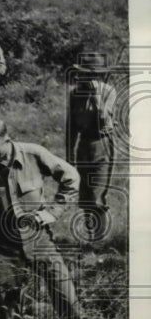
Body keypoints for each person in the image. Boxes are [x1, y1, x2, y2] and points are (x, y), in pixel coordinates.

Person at [0, 117, 83, 319]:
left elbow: (71, 177)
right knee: (7, 300)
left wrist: (53, 212)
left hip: (38, 234)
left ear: (7, 139)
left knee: (63, 289)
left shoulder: (33, 153)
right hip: (3, 240)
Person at [67, 52, 117, 242]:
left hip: (102, 143)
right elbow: (71, 126)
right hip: (84, 145)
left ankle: (98, 242)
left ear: (97, 75)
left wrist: (96, 96)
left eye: (86, 74)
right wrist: (69, 155)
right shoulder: (74, 94)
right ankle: (91, 238)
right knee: (85, 196)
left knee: (97, 195)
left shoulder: (108, 92)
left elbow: (104, 119)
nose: (81, 77)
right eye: (81, 73)